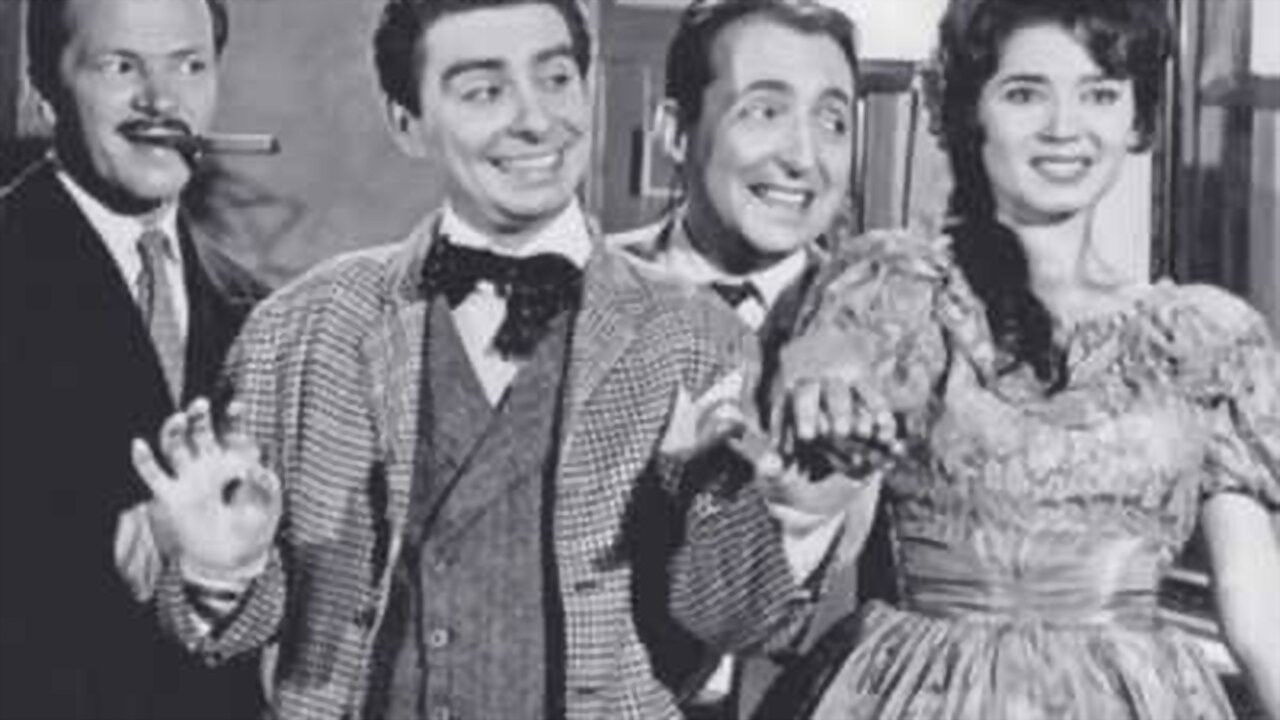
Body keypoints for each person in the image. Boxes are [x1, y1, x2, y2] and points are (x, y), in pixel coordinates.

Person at [122, 0, 856, 718]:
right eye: (484, 90)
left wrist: (800, 512)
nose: (536, 119)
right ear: (408, 122)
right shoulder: (300, 330)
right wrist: (222, 567)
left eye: (556, 78)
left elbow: (733, 620)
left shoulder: (699, 337)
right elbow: (233, 631)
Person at [752, 0, 1280, 718]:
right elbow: (826, 390)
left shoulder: (1205, 337)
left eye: (1099, 94)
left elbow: (1257, 614)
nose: (1065, 127)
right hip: (924, 695)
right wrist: (820, 405)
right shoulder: (896, 286)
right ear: (972, 112)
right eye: (1026, 93)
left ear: (1137, 119)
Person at [609, 0, 894, 716]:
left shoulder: (891, 325)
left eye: (833, 122)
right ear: (676, 131)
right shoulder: (577, 300)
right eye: (764, 111)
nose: (803, 156)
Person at [0, 0, 266, 717]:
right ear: (43, 88)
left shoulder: (259, 312)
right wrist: (138, 541)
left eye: (190, 65)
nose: (162, 101)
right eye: (121, 67)